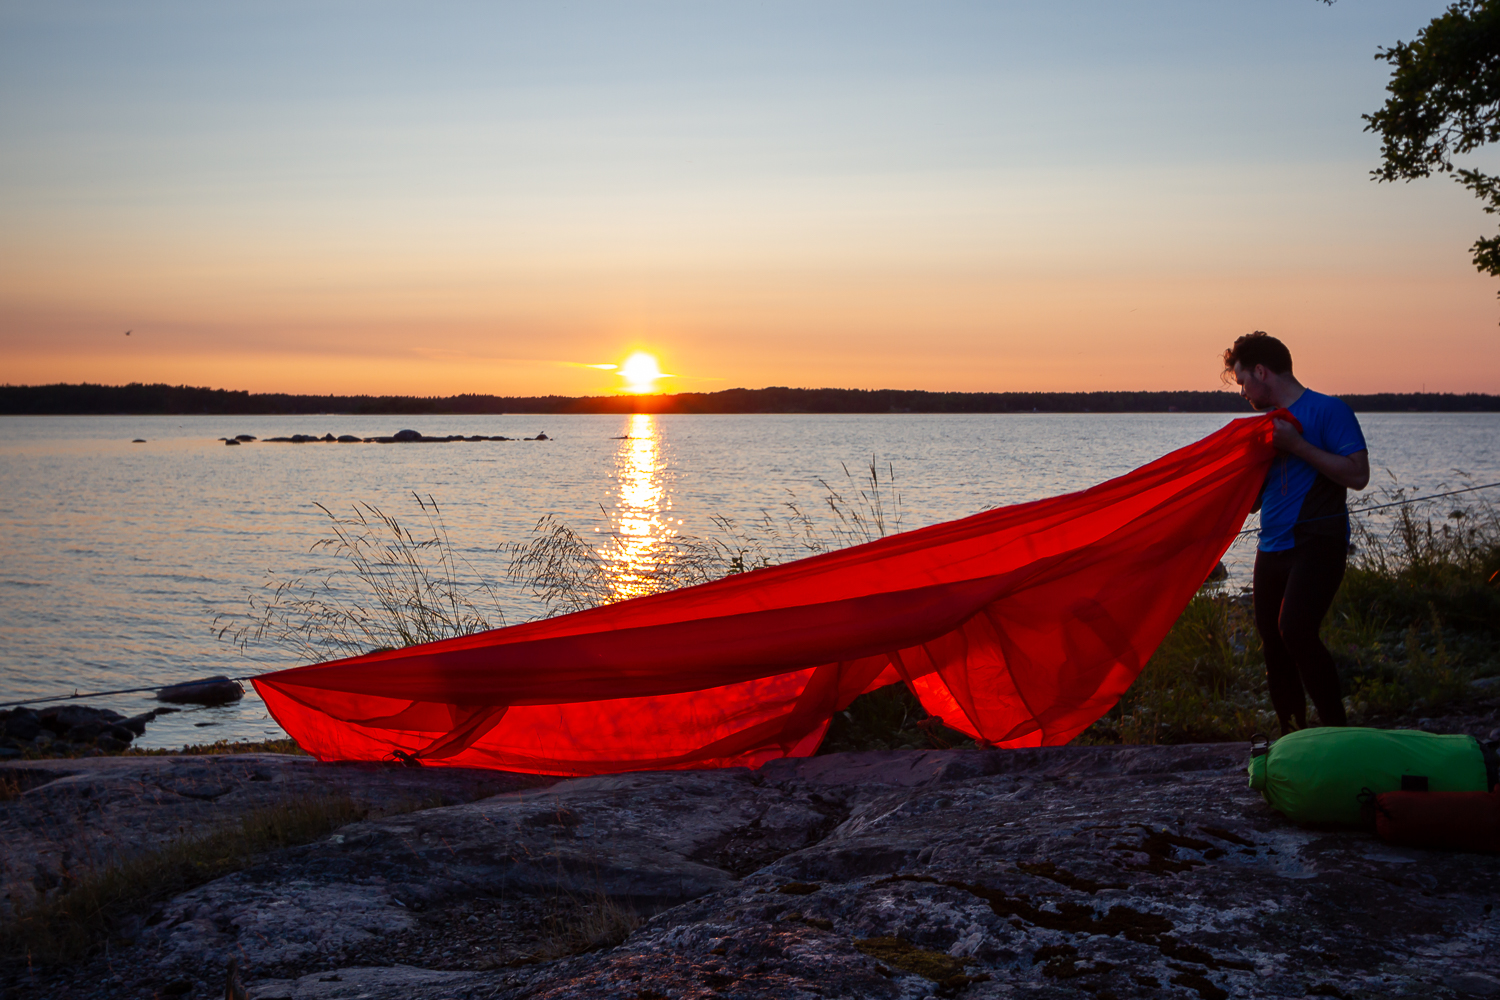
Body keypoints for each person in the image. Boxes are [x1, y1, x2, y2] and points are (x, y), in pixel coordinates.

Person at [1223, 331, 1369, 735]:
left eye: (1242, 382)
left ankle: (1338, 733)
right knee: (1273, 643)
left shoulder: (1328, 410)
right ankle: (1293, 738)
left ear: (1261, 372)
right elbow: (1255, 501)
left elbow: (1358, 474)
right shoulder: (1265, 426)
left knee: (1296, 631)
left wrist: (1298, 445)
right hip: (1271, 546)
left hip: (1317, 542)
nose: (1242, 393)